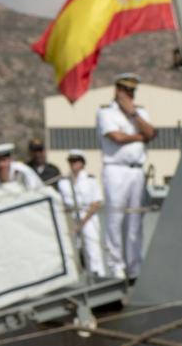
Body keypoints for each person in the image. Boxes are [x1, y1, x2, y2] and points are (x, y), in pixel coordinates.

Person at [96, 73, 156, 278]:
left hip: (136, 170)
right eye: (126, 91)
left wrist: (133, 116)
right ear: (118, 91)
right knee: (116, 217)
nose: (130, 95)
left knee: (134, 219)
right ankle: (116, 265)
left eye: (132, 91)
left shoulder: (140, 113)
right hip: (116, 169)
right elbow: (116, 137)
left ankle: (134, 264)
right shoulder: (106, 113)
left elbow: (152, 133)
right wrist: (139, 136)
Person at [56, 152, 108, 277]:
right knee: (74, 251)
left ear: (82, 163)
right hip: (71, 217)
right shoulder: (63, 182)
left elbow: (96, 202)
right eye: (71, 161)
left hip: (88, 217)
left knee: (92, 249)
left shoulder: (90, 180)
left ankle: (97, 275)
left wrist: (82, 223)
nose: (73, 164)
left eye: (76, 161)